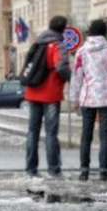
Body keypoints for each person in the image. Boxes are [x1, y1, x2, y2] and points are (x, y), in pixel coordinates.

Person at [70, 18, 107, 181]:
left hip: (87, 98)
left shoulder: (81, 52)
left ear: (90, 32)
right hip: (106, 98)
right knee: (105, 134)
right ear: (104, 32)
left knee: (86, 134)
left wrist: (74, 99)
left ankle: (84, 170)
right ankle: (103, 170)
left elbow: (76, 77)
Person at [23, 15, 71, 178]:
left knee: (32, 131)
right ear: (63, 29)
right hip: (50, 93)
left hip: (32, 91)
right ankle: (54, 169)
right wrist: (71, 78)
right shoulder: (58, 45)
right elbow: (60, 67)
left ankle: (31, 169)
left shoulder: (38, 43)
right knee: (51, 133)